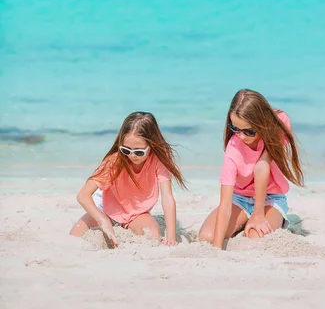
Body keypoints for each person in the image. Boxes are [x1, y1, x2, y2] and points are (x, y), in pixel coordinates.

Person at [199, 89, 304, 249]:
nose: (241, 136)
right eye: (235, 128)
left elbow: (262, 166)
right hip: (240, 199)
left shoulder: (278, 123)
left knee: (255, 238)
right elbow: (226, 203)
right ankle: (245, 219)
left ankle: (274, 218)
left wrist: (258, 213)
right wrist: (217, 247)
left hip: (271, 197)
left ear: (262, 122)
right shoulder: (233, 148)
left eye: (249, 131)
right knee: (207, 236)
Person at [70, 111, 186, 247]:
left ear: (152, 145)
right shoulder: (115, 160)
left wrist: (171, 236)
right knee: (74, 237)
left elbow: (167, 197)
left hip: (136, 212)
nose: (132, 155)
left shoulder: (159, 158)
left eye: (139, 152)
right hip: (106, 207)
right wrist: (103, 221)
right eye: (126, 150)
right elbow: (83, 195)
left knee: (153, 236)